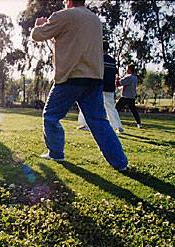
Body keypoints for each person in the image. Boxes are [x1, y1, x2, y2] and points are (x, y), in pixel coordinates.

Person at [31, 0, 128, 170]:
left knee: (51, 116)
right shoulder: (95, 19)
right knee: (98, 121)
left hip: (71, 76)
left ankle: (55, 153)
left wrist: (39, 25)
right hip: (94, 78)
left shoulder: (63, 15)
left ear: (68, 1)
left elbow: (37, 36)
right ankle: (120, 163)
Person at [78, 41, 124, 133]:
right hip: (110, 87)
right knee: (111, 107)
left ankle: (83, 124)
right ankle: (118, 126)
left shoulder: (98, 59)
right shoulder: (112, 61)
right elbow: (115, 74)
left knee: (87, 103)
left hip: (98, 85)